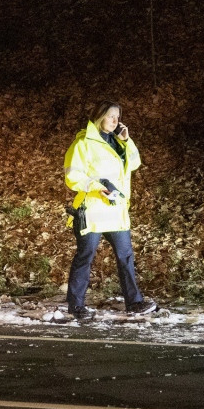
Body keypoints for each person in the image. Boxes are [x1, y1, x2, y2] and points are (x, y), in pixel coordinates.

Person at [63, 101, 157, 322]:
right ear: (99, 117)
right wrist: (99, 187)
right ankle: (75, 306)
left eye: (117, 116)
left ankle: (134, 303)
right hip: (93, 210)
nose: (115, 121)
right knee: (85, 257)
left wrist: (127, 141)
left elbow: (134, 163)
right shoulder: (82, 143)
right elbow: (73, 177)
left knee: (125, 257)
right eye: (110, 116)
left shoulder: (117, 142)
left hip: (116, 210)